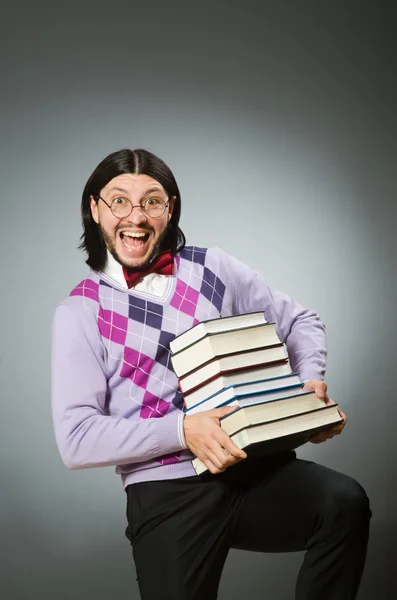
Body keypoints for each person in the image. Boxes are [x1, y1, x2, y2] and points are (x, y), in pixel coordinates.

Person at [51, 148, 371, 600]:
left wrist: (309, 382)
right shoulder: (80, 310)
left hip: (254, 470)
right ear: (95, 208)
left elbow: (302, 321)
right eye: (119, 201)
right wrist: (183, 430)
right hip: (167, 494)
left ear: (171, 208)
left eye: (153, 201)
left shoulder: (213, 267)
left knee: (343, 504)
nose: (136, 216)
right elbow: (77, 438)